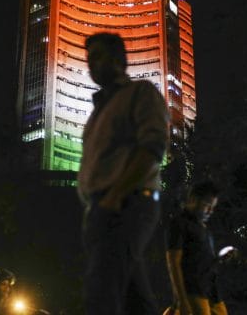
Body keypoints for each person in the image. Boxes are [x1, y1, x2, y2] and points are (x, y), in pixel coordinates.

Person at [77, 32, 170, 315]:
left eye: (98, 56)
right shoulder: (96, 113)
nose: (91, 64)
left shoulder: (140, 93)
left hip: (126, 203)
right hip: (101, 209)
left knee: (101, 292)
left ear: (119, 60)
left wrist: (114, 197)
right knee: (134, 298)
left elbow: (153, 146)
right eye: (89, 58)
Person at [164, 180, 232, 315]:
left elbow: (201, 261)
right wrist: (182, 300)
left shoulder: (204, 229)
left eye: (213, 207)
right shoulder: (179, 224)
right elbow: (173, 263)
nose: (211, 211)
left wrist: (220, 258)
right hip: (193, 292)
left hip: (212, 293)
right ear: (193, 200)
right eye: (207, 205)